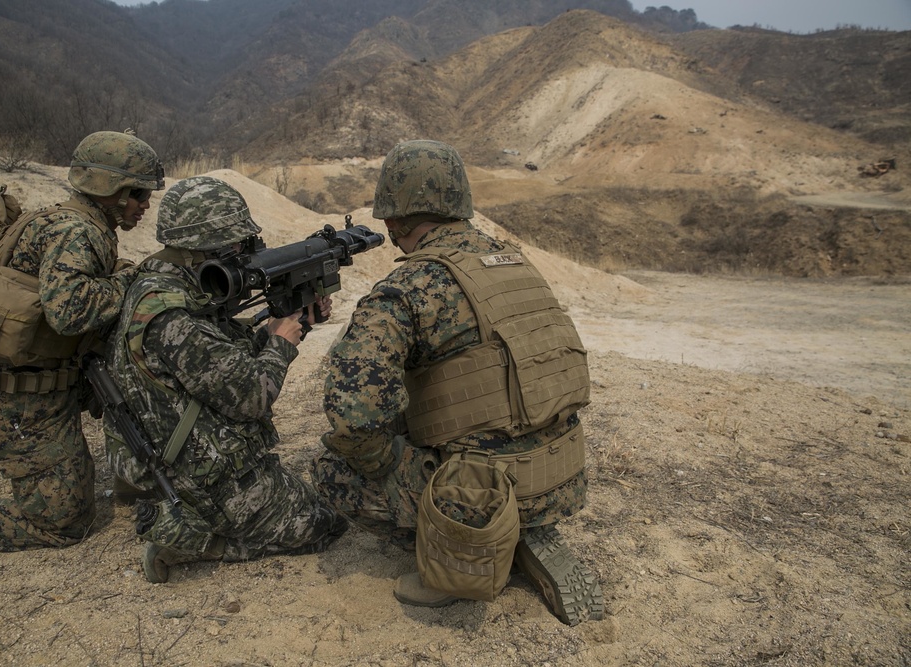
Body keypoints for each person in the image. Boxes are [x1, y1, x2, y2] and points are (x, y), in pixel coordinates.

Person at [312, 139, 604, 625]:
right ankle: (526, 526)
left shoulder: (405, 290)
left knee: (331, 470)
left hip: (480, 491)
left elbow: (353, 419)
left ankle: (459, 552)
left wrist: (390, 459)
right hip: (561, 477)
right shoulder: (517, 264)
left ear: (393, 220)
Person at [0, 130, 164, 551]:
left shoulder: (75, 221)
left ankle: (135, 478)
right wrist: (134, 281)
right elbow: (71, 311)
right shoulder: (74, 232)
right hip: (12, 398)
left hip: (43, 379)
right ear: (111, 191)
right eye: (139, 193)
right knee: (64, 523)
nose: (145, 205)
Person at [104, 175, 348, 583]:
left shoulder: (163, 283)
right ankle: (195, 541)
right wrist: (281, 345)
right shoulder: (172, 315)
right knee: (325, 521)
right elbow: (251, 396)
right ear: (207, 245)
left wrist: (290, 324)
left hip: (180, 452)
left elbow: (218, 362)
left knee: (315, 493)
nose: (244, 254)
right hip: (198, 474)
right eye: (236, 245)